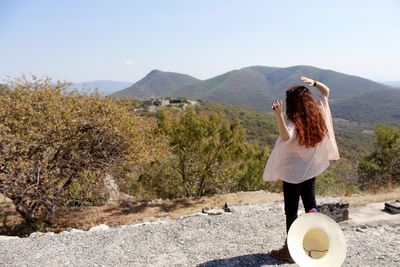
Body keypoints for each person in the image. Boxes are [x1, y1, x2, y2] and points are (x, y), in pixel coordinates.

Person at [263, 75, 340, 263]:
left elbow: (285, 137)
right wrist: (314, 83)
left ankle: (291, 250)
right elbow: (326, 92)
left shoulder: (296, 127)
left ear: (294, 105)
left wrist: (278, 115)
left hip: (292, 175)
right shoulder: (318, 116)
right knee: (311, 208)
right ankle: (316, 243)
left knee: (291, 212)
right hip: (310, 172)